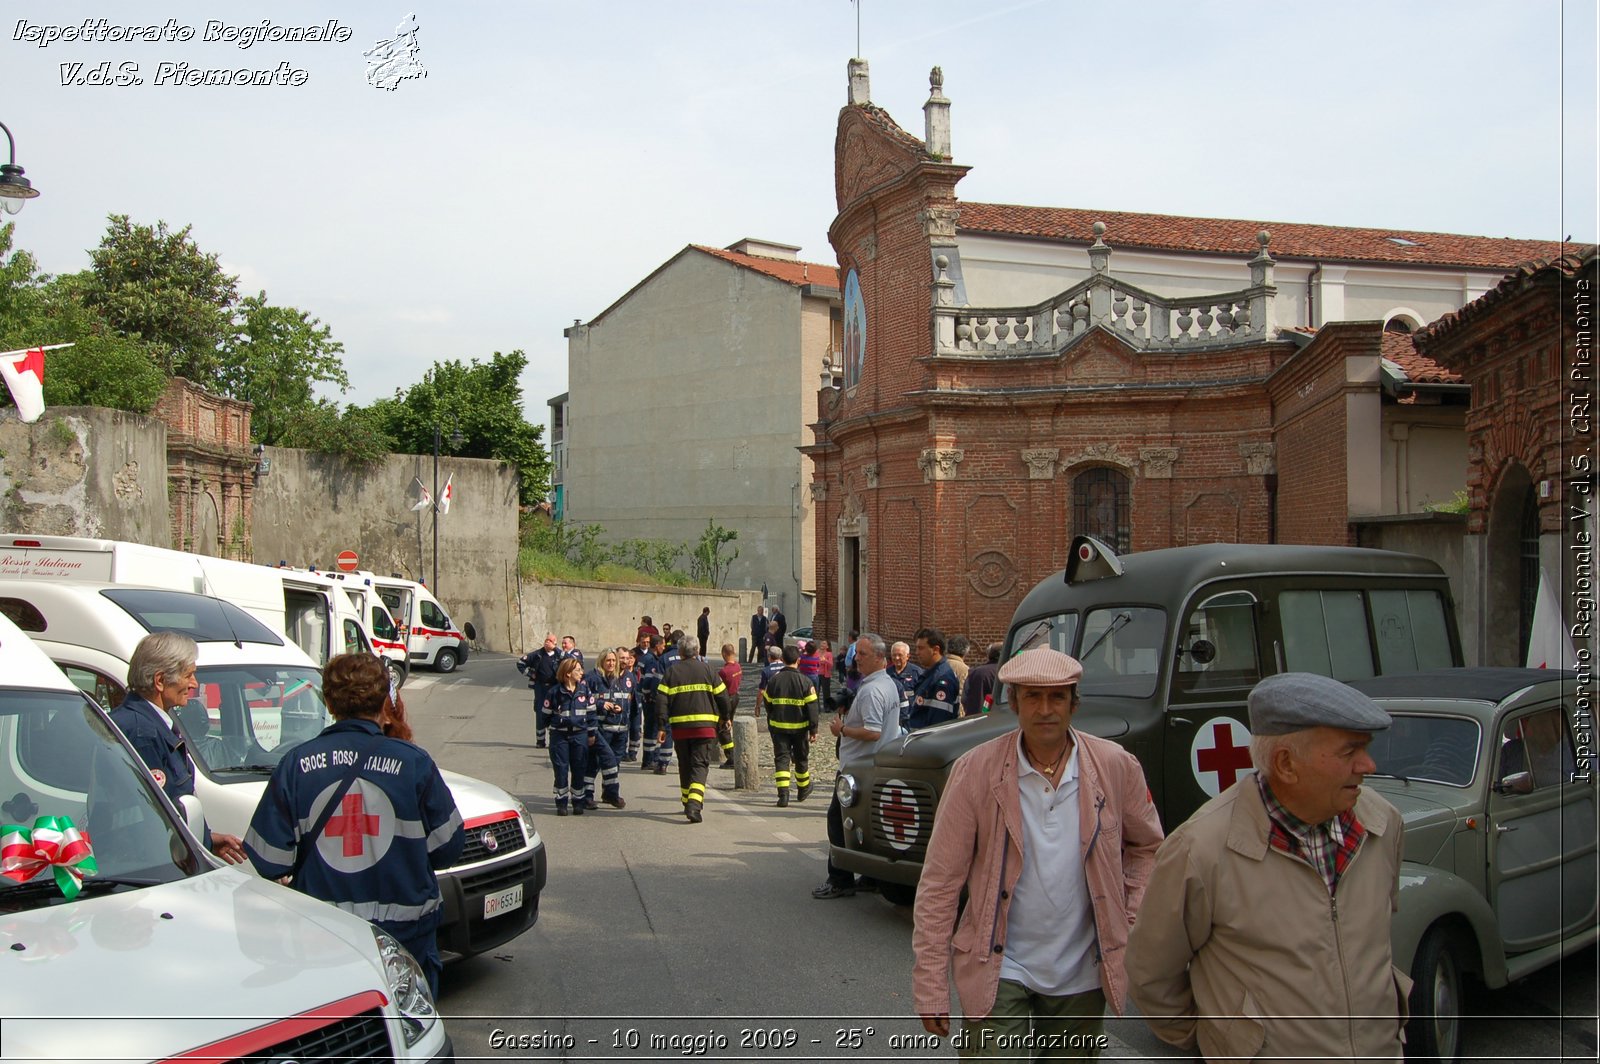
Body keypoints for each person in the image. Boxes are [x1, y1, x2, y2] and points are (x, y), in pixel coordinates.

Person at [1125, 671, 1408, 1062]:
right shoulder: (1201, 850)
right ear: (1286, 764)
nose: (1369, 765)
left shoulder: (1382, 821)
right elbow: (1151, 976)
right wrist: (1226, 1045)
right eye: (1350, 752)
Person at [913, 646, 1164, 1057]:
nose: (1045, 709)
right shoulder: (975, 771)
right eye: (1032, 696)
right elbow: (940, 883)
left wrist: (1128, 922)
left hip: (1082, 972)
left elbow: (1148, 848)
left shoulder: (1115, 766)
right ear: (1013, 703)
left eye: (1057, 697)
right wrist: (930, 984)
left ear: (1074, 703)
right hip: (998, 966)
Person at [244, 653, 465, 996]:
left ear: (329, 703)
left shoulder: (296, 765)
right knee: (408, 1036)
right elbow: (449, 847)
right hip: (407, 940)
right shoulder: (414, 763)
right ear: (382, 703)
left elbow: (268, 859)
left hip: (324, 938)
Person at [109, 632, 246, 864]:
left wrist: (207, 840)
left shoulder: (145, 723)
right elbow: (153, 819)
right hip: (151, 867)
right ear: (160, 681)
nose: (194, 684)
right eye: (188, 675)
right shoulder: (143, 733)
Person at [814, 633, 902, 899]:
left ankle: (840, 878)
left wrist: (843, 730)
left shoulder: (874, 690)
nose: (856, 659)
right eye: (856, 653)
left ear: (879, 657)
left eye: (863, 654)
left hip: (858, 767)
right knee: (867, 823)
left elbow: (873, 731)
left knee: (838, 820)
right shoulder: (885, 683)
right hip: (872, 763)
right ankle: (870, 876)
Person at [653, 634, 733, 823]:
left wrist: (661, 725)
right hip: (705, 729)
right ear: (697, 651)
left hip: (680, 729)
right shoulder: (709, 670)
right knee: (700, 765)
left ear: (680, 652)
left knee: (685, 765)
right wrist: (725, 717)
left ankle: (686, 800)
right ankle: (694, 806)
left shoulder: (671, 672)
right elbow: (723, 697)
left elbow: (661, 700)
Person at [764, 645, 820, 806]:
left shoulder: (774, 680)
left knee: (782, 759)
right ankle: (803, 790)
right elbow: (812, 708)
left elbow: (767, 703)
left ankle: (783, 795)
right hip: (800, 728)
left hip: (779, 727)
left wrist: (773, 716)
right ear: (798, 660)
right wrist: (813, 729)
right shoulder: (805, 681)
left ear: (782, 660)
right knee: (801, 758)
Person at [542, 657, 598, 816]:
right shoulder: (554, 692)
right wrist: (554, 727)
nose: (581, 672)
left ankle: (578, 801)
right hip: (559, 736)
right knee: (561, 768)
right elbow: (544, 716)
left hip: (579, 735)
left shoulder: (584, 691)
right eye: (578, 670)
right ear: (567, 674)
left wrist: (591, 734)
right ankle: (561, 802)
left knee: (579, 768)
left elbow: (592, 714)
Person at [581, 650, 629, 810]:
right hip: (600, 728)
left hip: (620, 729)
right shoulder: (592, 678)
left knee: (614, 763)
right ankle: (587, 796)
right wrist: (601, 704)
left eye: (613, 661)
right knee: (594, 763)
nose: (611, 664)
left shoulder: (619, 679)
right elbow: (583, 700)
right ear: (601, 661)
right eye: (608, 660)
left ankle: (608, 793)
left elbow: (631, 704)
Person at [907, 627, 960, 730]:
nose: (917, 652)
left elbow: (939, 724)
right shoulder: (930, 675)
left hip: (926, 741)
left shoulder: (942, 680)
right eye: (916, 648)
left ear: (935, 649)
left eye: (921, 648)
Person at [520, 633, 563, 749]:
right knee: (540, 713)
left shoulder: (559, 655)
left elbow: (569, 660)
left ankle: (554, 740)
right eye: (546, 640)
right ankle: (540, 741)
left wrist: (557, 650)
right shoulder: (537, 654)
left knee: (555, 713)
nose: (547, 642)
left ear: (555, 643)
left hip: (554, 688)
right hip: (541, 688)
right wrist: (530, 674)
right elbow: (520, 664)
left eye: (550, 640)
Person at [716, 643, 742, 769]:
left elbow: (719, 688)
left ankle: (731, 756)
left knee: (722, 727)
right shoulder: (738, 666)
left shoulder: (724, 672)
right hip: (735, 697)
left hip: (727, 699)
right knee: (728, 723)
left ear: (724, 654)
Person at [887, 640, 922, 729]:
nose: (897, 658)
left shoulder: (917, 673)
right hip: (890, 719)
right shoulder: (886, 673)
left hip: (910, 720)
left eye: (900, 655)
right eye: (894, 655)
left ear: (907, 656)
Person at [962, 643, 1003, 715]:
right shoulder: (1008, 671)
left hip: (975, 717)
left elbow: (965, 698)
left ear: (989, 655)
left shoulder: (976, 672)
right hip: (1001, 716)